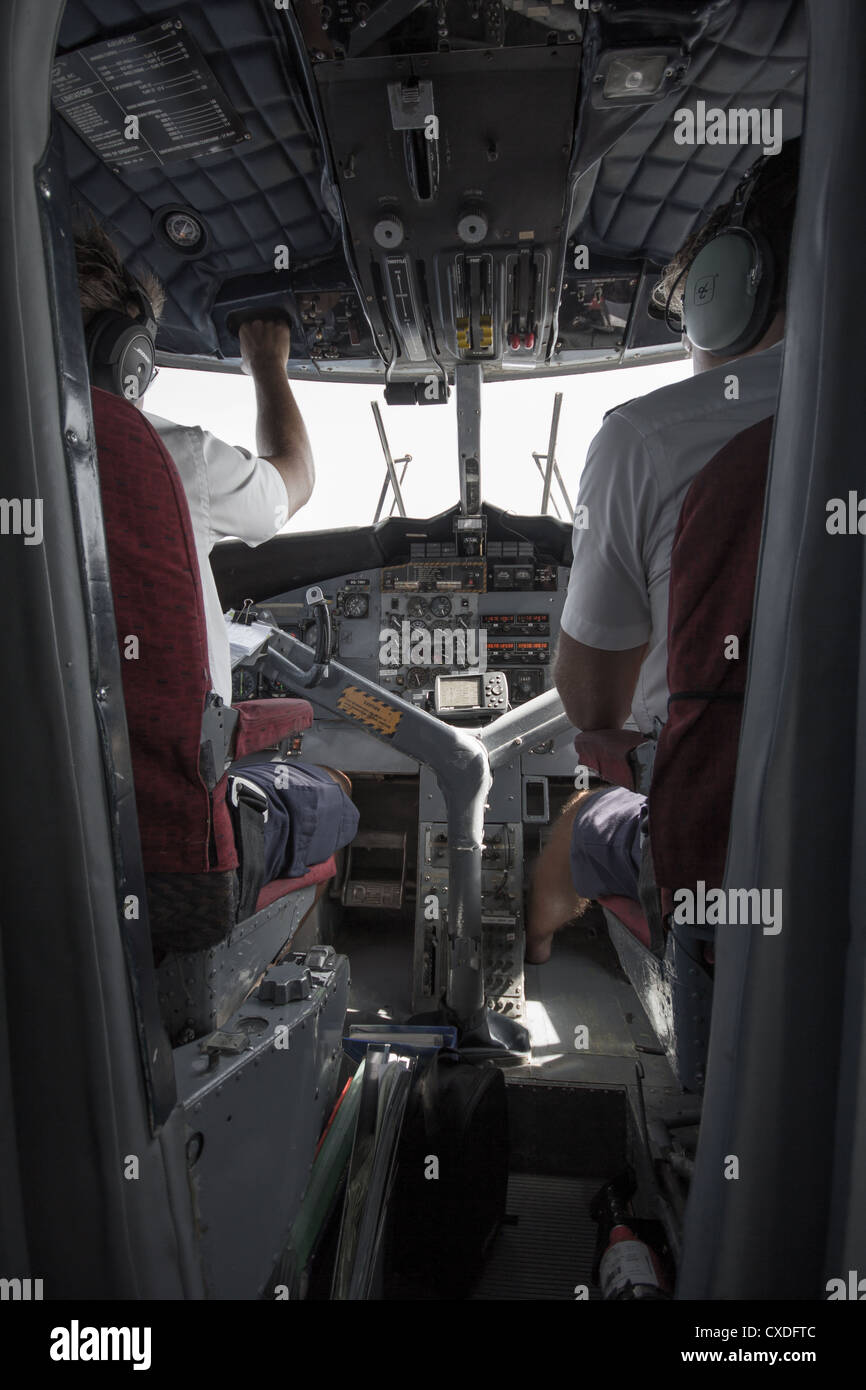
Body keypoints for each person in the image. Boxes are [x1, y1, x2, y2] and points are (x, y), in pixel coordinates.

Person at [526, 140, 800, 963]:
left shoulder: (650, 438)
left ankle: (523, 957)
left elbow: (595, 710)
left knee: (582, 817)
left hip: (726, 878)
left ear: (727, 292)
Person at [75, 222, 357, 887]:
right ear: (123, 355)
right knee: (331, 789)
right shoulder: (162, 454)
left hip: (40, 838)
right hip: (167, 854)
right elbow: (293, 481)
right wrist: (267, 363)